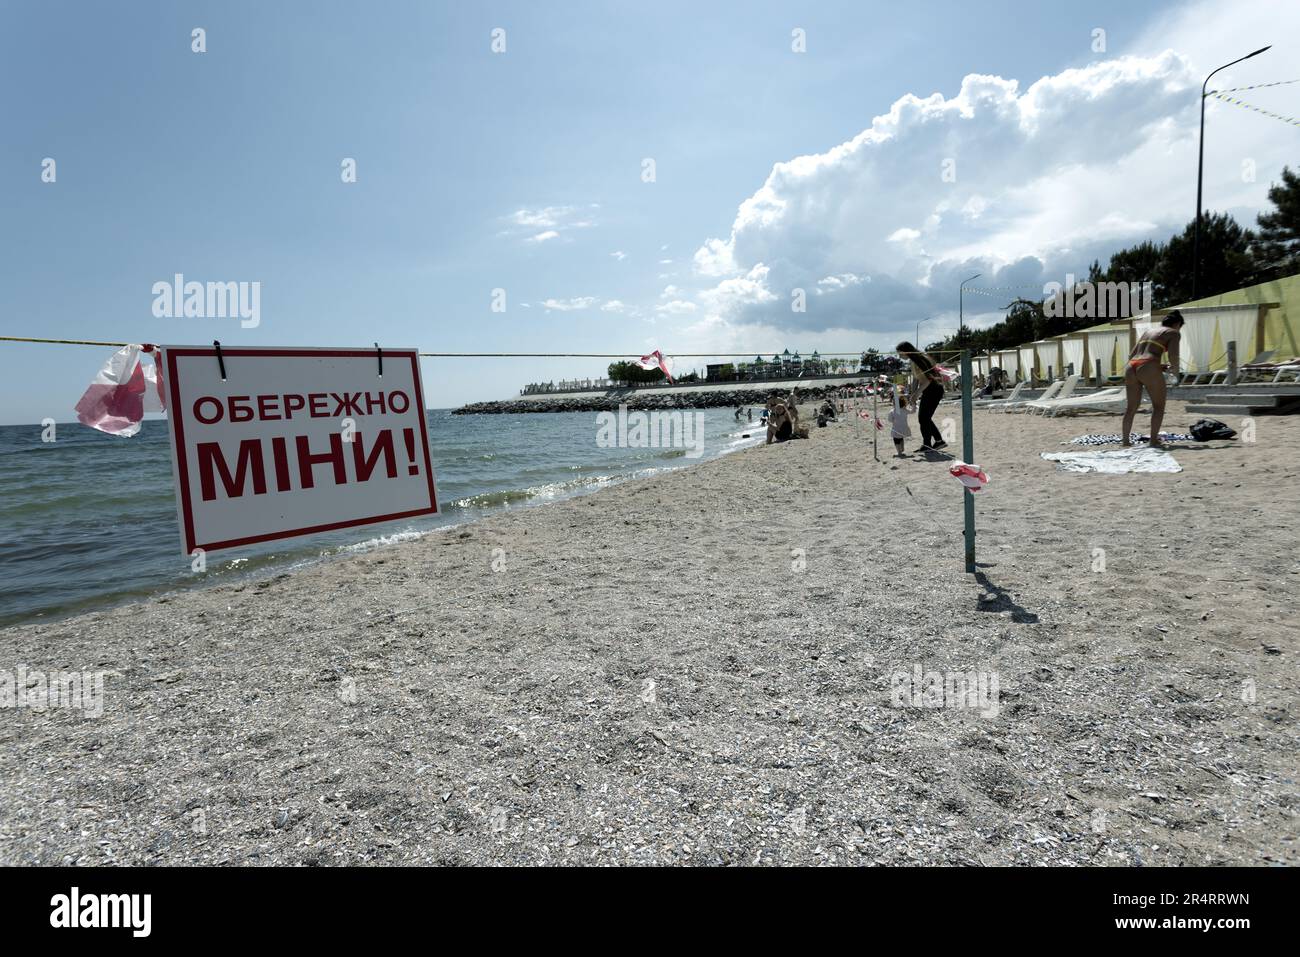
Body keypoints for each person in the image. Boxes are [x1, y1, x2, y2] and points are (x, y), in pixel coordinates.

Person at [1121, 310, 1184, 448]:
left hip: (1131, 367)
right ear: (1178, 324)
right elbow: (1174, 356)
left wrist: (1156, 366)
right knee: (1158, 406)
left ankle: (1125, 441)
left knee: (1131, 408)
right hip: (1148, 365)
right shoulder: (1173, 333)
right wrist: (1174, 369)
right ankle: (1153, 440)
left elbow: (1132, 354)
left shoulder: (1148, 332)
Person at [896, 340, 946, 453]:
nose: (899, 356)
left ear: (905, 351)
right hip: (928, 390)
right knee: (924, 418)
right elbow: (916, 379)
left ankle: (932, 443)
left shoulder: (921, 359)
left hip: (934, 389)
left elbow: (928, 379)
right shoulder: (913, 361)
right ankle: (935, 442)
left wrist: (917, 394)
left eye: (900, 353)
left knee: (923, 418)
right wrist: (912, 394)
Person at [887, 390, 912, 456]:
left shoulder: (892, 411)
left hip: (896, 429)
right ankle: (902, 449)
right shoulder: (905, 410)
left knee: (896, 440)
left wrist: (894, 420)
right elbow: (912, 411)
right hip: (904, 428)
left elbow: (890, 420)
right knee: (901, 438)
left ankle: (899, 452)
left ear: (894, 403)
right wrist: (914, 405)